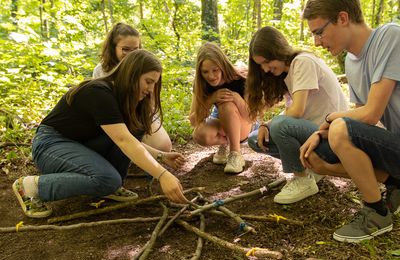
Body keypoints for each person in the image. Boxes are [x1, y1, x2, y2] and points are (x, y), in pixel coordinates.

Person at [12, 49, 188, 219]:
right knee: (107, 179)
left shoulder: (124, 99)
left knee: (133, 132)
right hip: (51, 145)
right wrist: (163, 175)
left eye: (154, 83)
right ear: (132, 74)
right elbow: (123, 140)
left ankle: (109, 187)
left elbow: (125, 138)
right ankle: (31, 187)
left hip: (81, 145)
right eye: (148, 81)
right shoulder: (98, 92)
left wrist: (161, 156)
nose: (151, 89)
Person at [300, 0, 400, 242]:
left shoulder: (390, 36)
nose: (316, 42)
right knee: (323, 150)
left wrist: (329, 121)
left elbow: (371, 113)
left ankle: (376, 213)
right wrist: (321, 135)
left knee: (339, 128)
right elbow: (361, 124)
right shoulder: (351, 62)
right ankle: (395, 183)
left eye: (319, 32)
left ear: (343, 18)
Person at [246, 26, 348, 204]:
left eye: (266, 62)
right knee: (256, 138)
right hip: (313, 134)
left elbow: (297, 111)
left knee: (279, 125)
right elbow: (290, 111)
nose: (265, 69)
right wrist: (265, 126)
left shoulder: (303, 62)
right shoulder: (287, 74)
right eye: (260, 65)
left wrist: (272, 124)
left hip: (332, 135)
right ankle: (312, 170)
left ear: (277, 50)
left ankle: (302, 179)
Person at [93, 22, 172, 153]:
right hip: (115, 116)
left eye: (135, 49)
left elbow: (150, 104)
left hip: (141, 115)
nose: (130, 54)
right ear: (113, 48)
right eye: (125, 49)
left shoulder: (145, 66)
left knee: (163, 146)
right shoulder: (101, 71)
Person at [189, 42, 254, 174]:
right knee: (200, 134)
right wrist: (210, 100)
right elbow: (193, 121)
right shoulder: (201, 85)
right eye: (205, 72)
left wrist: (236, 98)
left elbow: (251, 117)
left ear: (223, 66)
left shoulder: (241, 79)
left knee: (226, 103)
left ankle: (235, 154)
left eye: (215, 70)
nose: (211, 76)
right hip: (222, 123)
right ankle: (225, 145)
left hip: (245, 125)